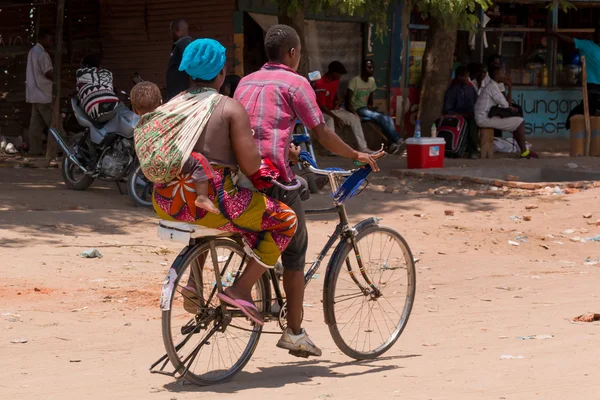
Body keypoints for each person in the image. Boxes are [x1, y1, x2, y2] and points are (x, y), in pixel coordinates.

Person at [235, 24, 381, 357]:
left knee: (263, 233)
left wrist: (287, 149)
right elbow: (322, 134)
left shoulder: (246, 81)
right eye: (299, 52)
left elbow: (255, 128)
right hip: (271, 177)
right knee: (295, 249)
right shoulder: (296, 83)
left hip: (242, 173)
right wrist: (359, 154)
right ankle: (295, 332)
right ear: (292, 53)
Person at [151, 38, 300, 324]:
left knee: (216, 225)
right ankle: (241, 288)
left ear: (188, 72)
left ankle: (194, 282)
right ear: (221, 72)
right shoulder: (229, 108)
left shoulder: (173, 105)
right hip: (214, 202)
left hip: (168, 200)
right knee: (285, 220)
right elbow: (251, 165)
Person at [132, 80, 219, 215]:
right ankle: (202, 196)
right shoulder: (168, 117)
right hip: (170, 162)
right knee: (199, 161)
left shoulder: (139, 127)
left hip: (148, 170)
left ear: (134, 110)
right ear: (162, 102)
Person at [475, 66, 537, 159]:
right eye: (502, 74)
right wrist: (510, 91)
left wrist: (510, 88)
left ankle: (524, 151)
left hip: (485, 116)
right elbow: (506, 105)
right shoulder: (493, 87)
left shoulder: (493, 85)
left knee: (517, 121)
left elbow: (507, 104)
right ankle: (524, 152)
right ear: (496, 75)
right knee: (520, 121)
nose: (505, 76)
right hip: (484, 118)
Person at [346, 59, 404, 154]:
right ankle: (398, 140)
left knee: (388, 118)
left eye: (373, 68)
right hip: (357, 109)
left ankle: (391, 144)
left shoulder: (372, 81)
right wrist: (354, 113)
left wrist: (371, 106)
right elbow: (348, 100)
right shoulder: (355, 81)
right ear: (363, 69)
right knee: (380, 117)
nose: (371, 70)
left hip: (365, 108)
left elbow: (370, 96)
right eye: (369, 67)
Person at [312, 61, 372, 153]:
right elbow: (322, 106)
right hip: (321, 112)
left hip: (333, 109)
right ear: (333, 73)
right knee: (330, 120)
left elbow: (334, 93)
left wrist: (337, 100)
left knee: (354, 118)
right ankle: (332, 149)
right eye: (339, 74)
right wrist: (336, 118)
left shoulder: (336, 81)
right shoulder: (320, 83)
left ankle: (363, 147)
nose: (340, 76)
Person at [549, 27, 600, 128]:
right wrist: (555, 33)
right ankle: (572, 119)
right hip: (592, 82)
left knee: (589, 106)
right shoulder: (587, 45)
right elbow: (570, 40)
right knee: (592, 104)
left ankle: (573, 120)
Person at [25, 28, 54, 156]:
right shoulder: (43, 54)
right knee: (54, 124)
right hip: (43, 95)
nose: (51, 41)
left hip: (34, 95)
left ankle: (34, 150)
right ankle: (63, 151)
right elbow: (48, 73)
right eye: (49, 39)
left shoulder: (32, 51)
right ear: (42, 38)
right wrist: (59, 80)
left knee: (35, 126)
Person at [443, 66, 479, 157]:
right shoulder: (452, 90)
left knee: (475, 120)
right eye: (466, 77)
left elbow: (476, 102)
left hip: (470, 113)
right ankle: (472, 151)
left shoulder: (470, 88)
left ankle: (473, 148)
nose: (468, 79)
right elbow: (448, 109)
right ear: (459, 77)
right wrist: (462, 114)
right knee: (471, 124)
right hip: (457, 116)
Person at [75, 55, 120, 123]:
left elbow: (79, 90)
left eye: (81, 65)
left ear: (86, 65)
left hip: (94, 112)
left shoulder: (81, 73)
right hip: (113, 106)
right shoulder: (107, 73)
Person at [166, 18, 192, 101]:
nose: (170, 34)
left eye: (171, 31)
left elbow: (191, 66)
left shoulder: (183, 43)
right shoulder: (181, 44)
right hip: (178, 94)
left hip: (181, 96)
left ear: (177, 30)